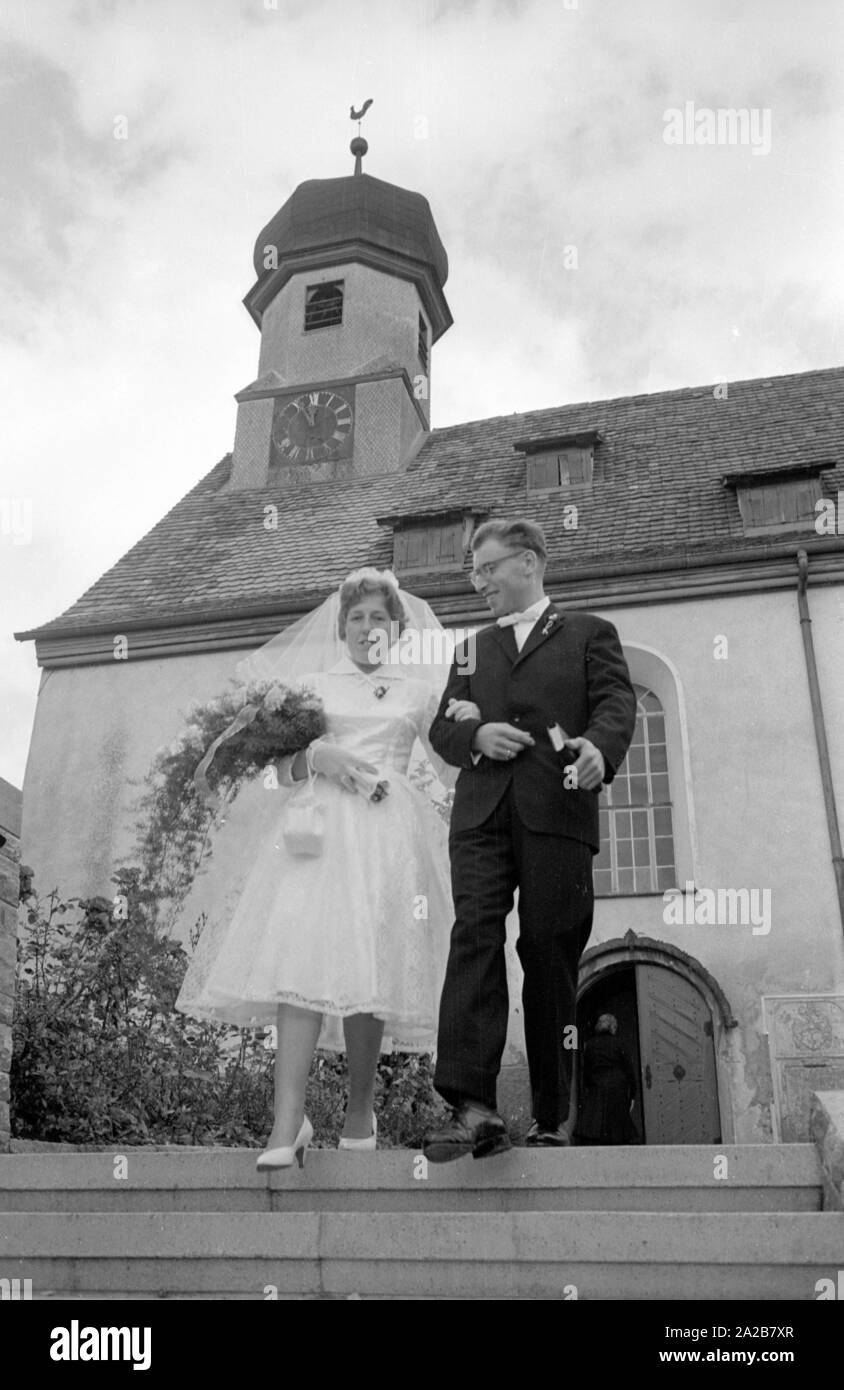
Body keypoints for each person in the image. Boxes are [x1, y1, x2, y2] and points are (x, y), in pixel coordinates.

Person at [172, 568, 456, 1170]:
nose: (367, 627)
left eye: (379, 617)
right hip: (314, 839)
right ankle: (286, 1122)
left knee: (367, 966)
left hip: (385, 835)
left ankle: (359, 1110)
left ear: (398, 628)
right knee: (298, 961)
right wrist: (312, 757)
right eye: (356, 617)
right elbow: (269, 776)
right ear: (342, 627)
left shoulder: (418, 692)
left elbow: (453, 760)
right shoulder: (310, 689)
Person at [422, 518, 637, 1162]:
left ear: (531, 563)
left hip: (559, 815)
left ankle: (553, 1114)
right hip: (481, 816)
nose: (478, 582)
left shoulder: (590, 634)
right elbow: (441, 726)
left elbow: (615, 705)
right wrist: (475, 737)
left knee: (549, 957)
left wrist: (599, 747)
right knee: (475, 936)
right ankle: (472, 1106)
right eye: (473, 572)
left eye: (487, 569)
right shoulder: (469, 649)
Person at [576, 1014, 639, 1145]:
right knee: (617, 1127)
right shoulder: (619, 1043)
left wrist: (588, 1086)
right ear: (613, 1027)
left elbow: (586, 1069)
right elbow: (629, 1070)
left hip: (596, 1086)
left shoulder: (590, 1044)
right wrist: (632, 1093)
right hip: (618, 1087)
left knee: (596, 1123)